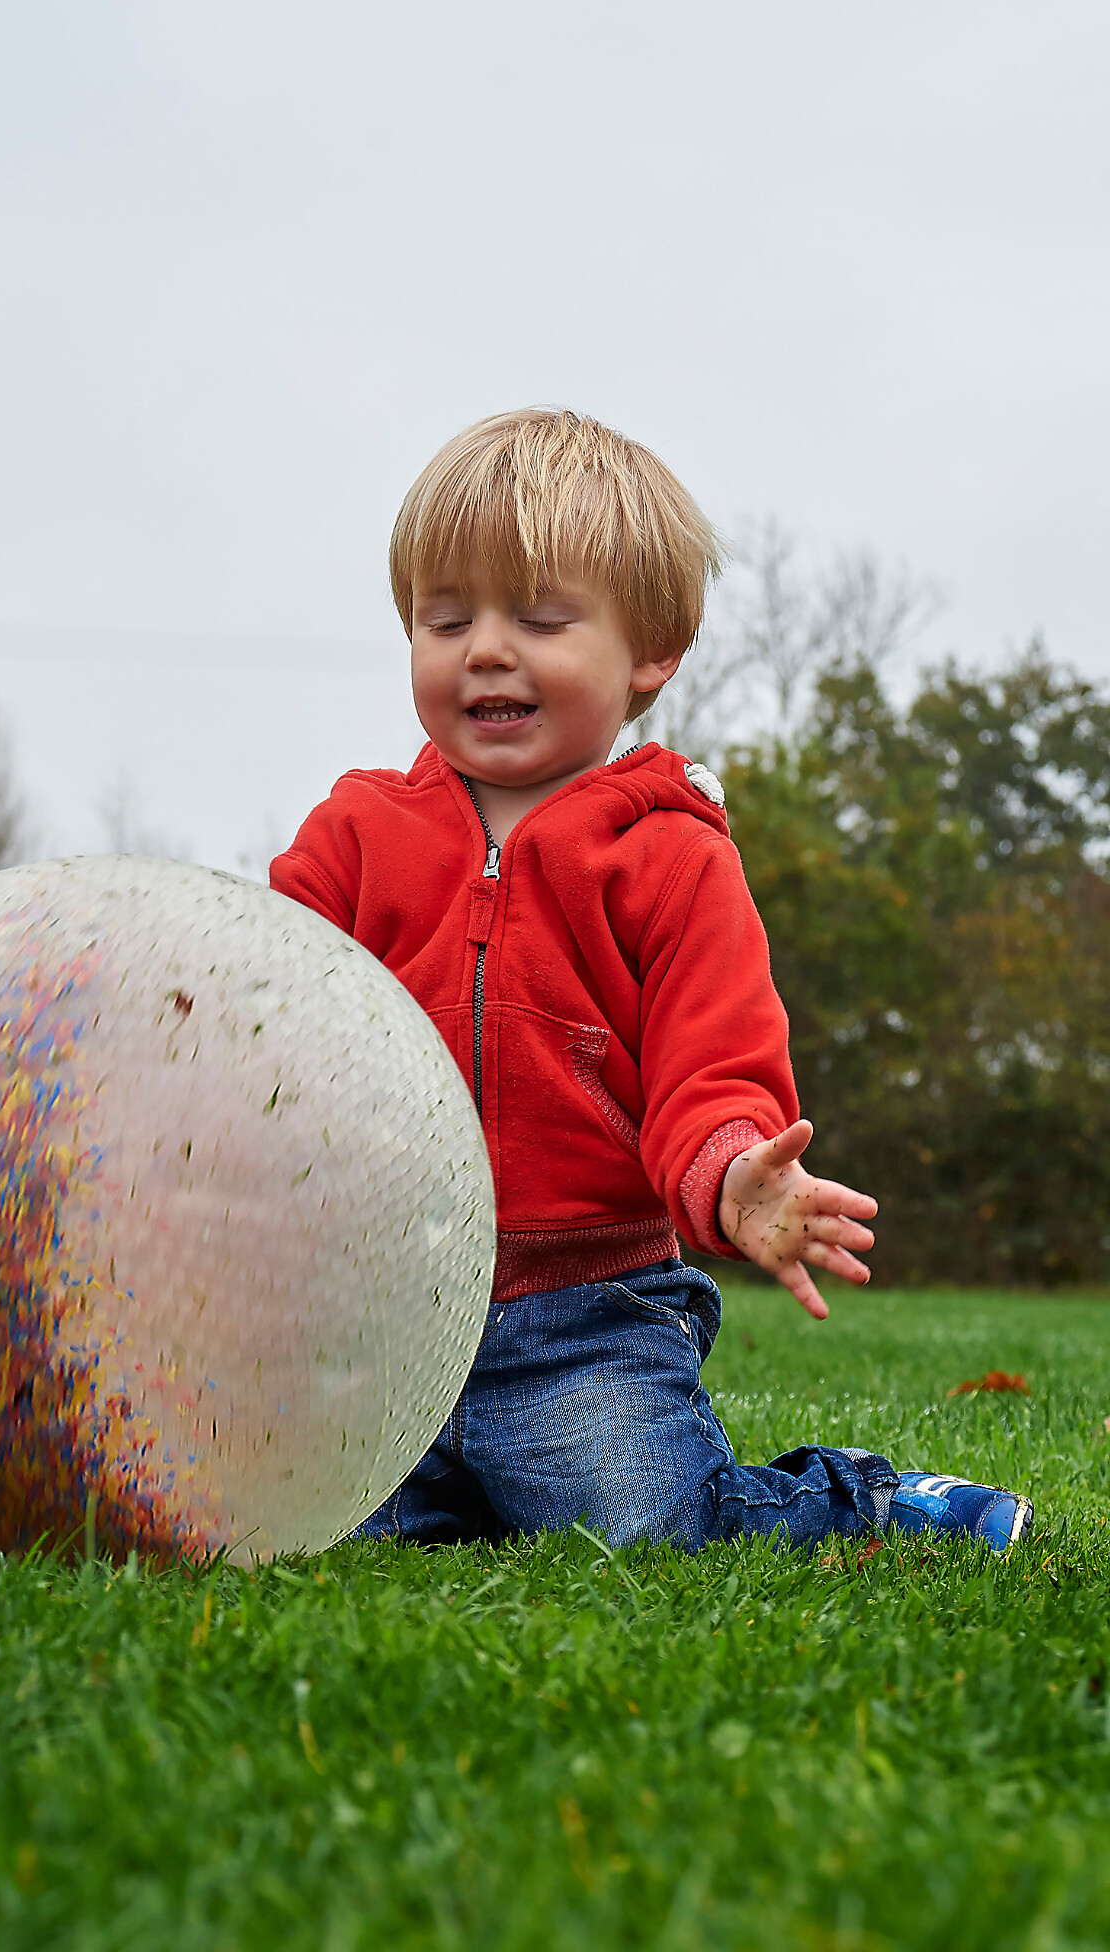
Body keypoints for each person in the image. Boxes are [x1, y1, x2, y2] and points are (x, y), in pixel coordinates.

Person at [270, 408, 1032, 1554]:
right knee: (306, 1530)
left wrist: (730, 1173)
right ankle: (458, 1491)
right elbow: (264, 997)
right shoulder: (355, 835)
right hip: (376, 1316)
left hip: (585, 1317)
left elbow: (711, 1068)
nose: (485, 649)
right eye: (446, 618)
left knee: (648, 1524)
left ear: (650, 652)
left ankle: (868, 1498)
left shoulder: (670, 859)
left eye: (539, 618)